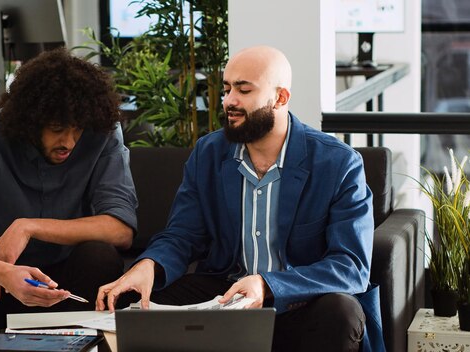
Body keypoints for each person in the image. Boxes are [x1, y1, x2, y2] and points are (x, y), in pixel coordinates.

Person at [97, 45, 385, 351]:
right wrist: (148, 266)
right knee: (135, 303)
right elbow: (183, 234)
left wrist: (268, 285)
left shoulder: (338, 163)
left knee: (341, 311)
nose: (229, 101)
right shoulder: (209, 153)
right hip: (226, 295)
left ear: (280, 98)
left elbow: (350, 266)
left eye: (243, 90)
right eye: (227, 88)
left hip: (302, 301)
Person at [0, 48, 137, 351]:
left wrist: (28, 227)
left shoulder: (102, 133)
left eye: (77, 130)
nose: (69, 142)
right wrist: (2, 273)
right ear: (30, 120)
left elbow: (121, 228)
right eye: (58, 129)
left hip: (66, 286)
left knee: (100, 255)